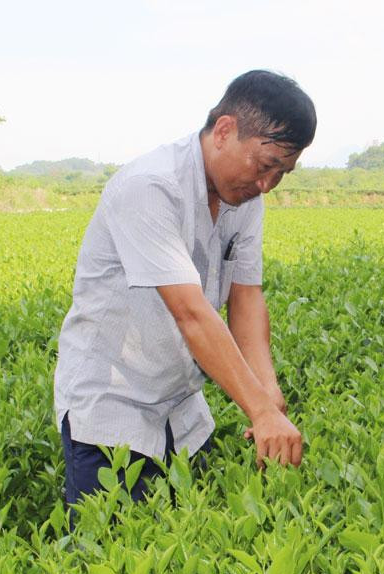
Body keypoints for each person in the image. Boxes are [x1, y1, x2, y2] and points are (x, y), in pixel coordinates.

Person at [54, 70, 316, 507]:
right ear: (225, 130)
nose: (267, 184)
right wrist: (260, 412)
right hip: (114, 401)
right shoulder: (150, 187)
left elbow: (246, 296)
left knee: (196, 539)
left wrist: (267, 392)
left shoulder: (244, 196)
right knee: (109, 553)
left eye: (282, 173)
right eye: (265, 165)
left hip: (182, 407)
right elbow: (190, 312)